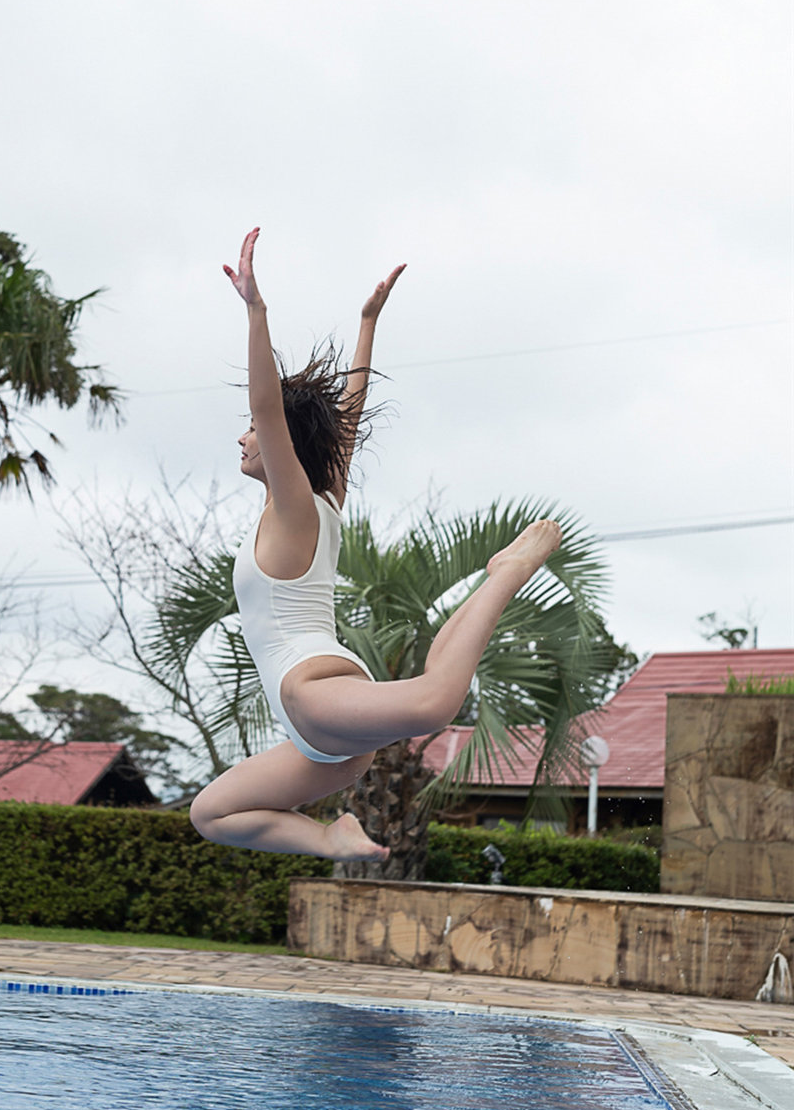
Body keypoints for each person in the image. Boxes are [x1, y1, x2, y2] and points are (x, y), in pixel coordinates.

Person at [189, 227, 562, 862]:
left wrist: (256, 311)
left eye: (252, 429)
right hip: (323, 735)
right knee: (212, 812)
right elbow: (348, 418)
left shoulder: (296, 508)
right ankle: (334, 838)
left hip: (314, 692)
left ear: (281, 446)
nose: (246, 438)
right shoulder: (323, 504)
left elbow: (273, 408)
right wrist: (367, 325)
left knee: (436, 700)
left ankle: (504, 573)